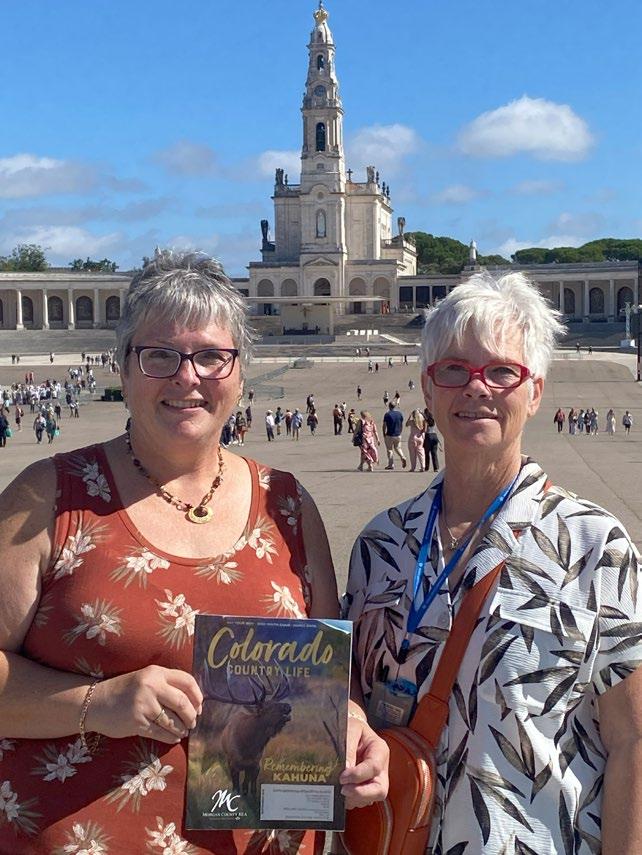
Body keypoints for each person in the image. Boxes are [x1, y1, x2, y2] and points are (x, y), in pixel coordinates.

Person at [0, 251, 387, 855]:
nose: (187, 377)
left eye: (211, 356)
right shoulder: (47, 497)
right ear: (124, 368)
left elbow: (328, 684)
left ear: (239, 371)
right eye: (160, 355)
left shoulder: (286, 504)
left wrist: (357, 732)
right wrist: (97, 703)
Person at [343, 271, 642, 853]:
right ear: (428, 388)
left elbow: (633, 740)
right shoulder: (379, 545)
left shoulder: (594, 545)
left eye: (502, 371)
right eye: (454, 370)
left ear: (535, 392)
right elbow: (350, 695)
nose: (476, 388)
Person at [382, 402, 407, 470]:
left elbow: (384, 425)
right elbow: (401, 424)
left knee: (389, 450)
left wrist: (384, 433)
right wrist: (400, 431)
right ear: (395, 406)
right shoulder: (399, 414)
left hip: (390, 434)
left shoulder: (387, 414)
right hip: (398, 434)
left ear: (389, 406)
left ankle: (391, 464)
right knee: (398, 448)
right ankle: (403, 457)